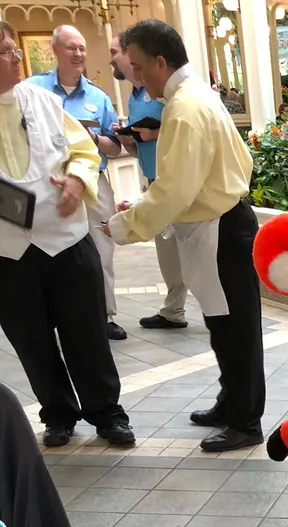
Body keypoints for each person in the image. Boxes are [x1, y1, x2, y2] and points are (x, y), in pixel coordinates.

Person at [106, 20, 265, 453]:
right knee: (223, 326)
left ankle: (245, 422)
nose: (136, 77)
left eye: (139, 67)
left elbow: (174, 189)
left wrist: (127, 226)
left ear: (161, 61)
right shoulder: (194, 96)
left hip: (221, 230)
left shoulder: (185, 107)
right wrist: (142, 209)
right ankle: (232, 402)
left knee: (235, 331)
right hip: (220, 224)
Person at [0, 21, 134, 449]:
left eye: (13, 50)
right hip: (8, 252)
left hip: (67, 239)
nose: (16, 57)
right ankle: (57, 413)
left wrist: (78, 179)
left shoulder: (41, 100)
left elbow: (83, 149)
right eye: (6, 52)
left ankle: (107, 413)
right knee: (32, 339)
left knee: (87, 332)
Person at [29, 25, 126, 340]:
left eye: (82, 48)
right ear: (55, 50)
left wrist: (96, 138)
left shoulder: (98, 96)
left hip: (94, 181)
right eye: (71, 47)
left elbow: (114, 146)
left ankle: (105, 315)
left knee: (102, 249)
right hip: (50, 184)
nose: (79, 54)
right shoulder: (35, 90)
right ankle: (58, 315)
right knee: (52, 249)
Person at [108, 34, 188, 330]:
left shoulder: (174, 95)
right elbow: (136, 148)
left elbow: (181, 128)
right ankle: (173, 309)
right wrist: (130, 138)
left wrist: (155, 134)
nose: (113, 58)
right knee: (167, 253)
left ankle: (205, 309)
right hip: (153, 178)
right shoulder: (134, 95)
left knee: (190, 249)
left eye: (116, 52)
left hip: (174, 181)